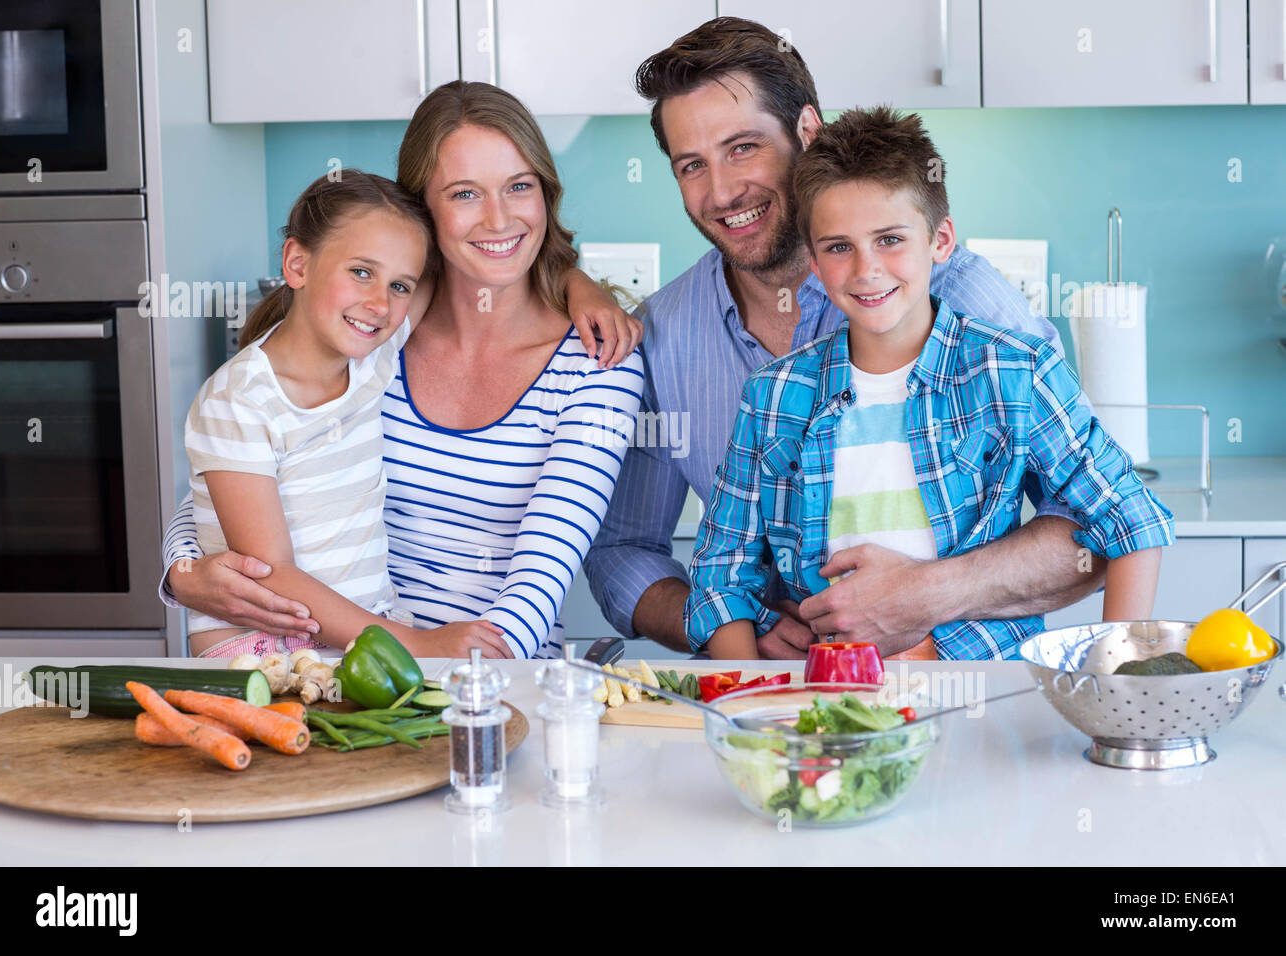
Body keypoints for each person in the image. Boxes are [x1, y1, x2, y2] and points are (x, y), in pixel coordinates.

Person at [583, 17, 1113, 660]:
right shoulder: (663, 333)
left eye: (743, 147)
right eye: (692, 164)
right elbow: (623, 550)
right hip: (773, 708)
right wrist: (726, 626)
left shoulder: (959, 298)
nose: (722, 191)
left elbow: (1094, 532)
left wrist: (920, 597)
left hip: (958, 695)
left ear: (808, 131)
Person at [161, 82, 645, 660]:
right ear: (423, 212)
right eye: (465, 193)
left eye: (519, 186)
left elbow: (540, 579)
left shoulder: (597, 359)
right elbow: (231, 484)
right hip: (340, 674)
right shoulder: (375, 343)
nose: (498, 218)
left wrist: (446, 676)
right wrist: (183, 571)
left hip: (482, 677)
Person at [685, 107, 1174, 659]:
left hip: (984, 696)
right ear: (815, 265)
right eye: (839, 247)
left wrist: (1117, 680)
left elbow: (1130, 517)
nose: (867, 270)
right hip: (827, 704)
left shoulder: (1010, 369)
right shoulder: (773, 397)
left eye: (890, 239)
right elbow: (720, 577)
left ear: (940, 241)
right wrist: (756, 702)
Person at [184, 169, 448, 658]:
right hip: (262, 649)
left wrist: (575, 282)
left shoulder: (373, 362)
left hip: (358, 640)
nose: (379, 303)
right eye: (361, 272)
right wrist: (416, 644)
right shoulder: (237, 401)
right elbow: (272, 575)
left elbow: (452, 261)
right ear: (297, 264)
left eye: (399, 285)